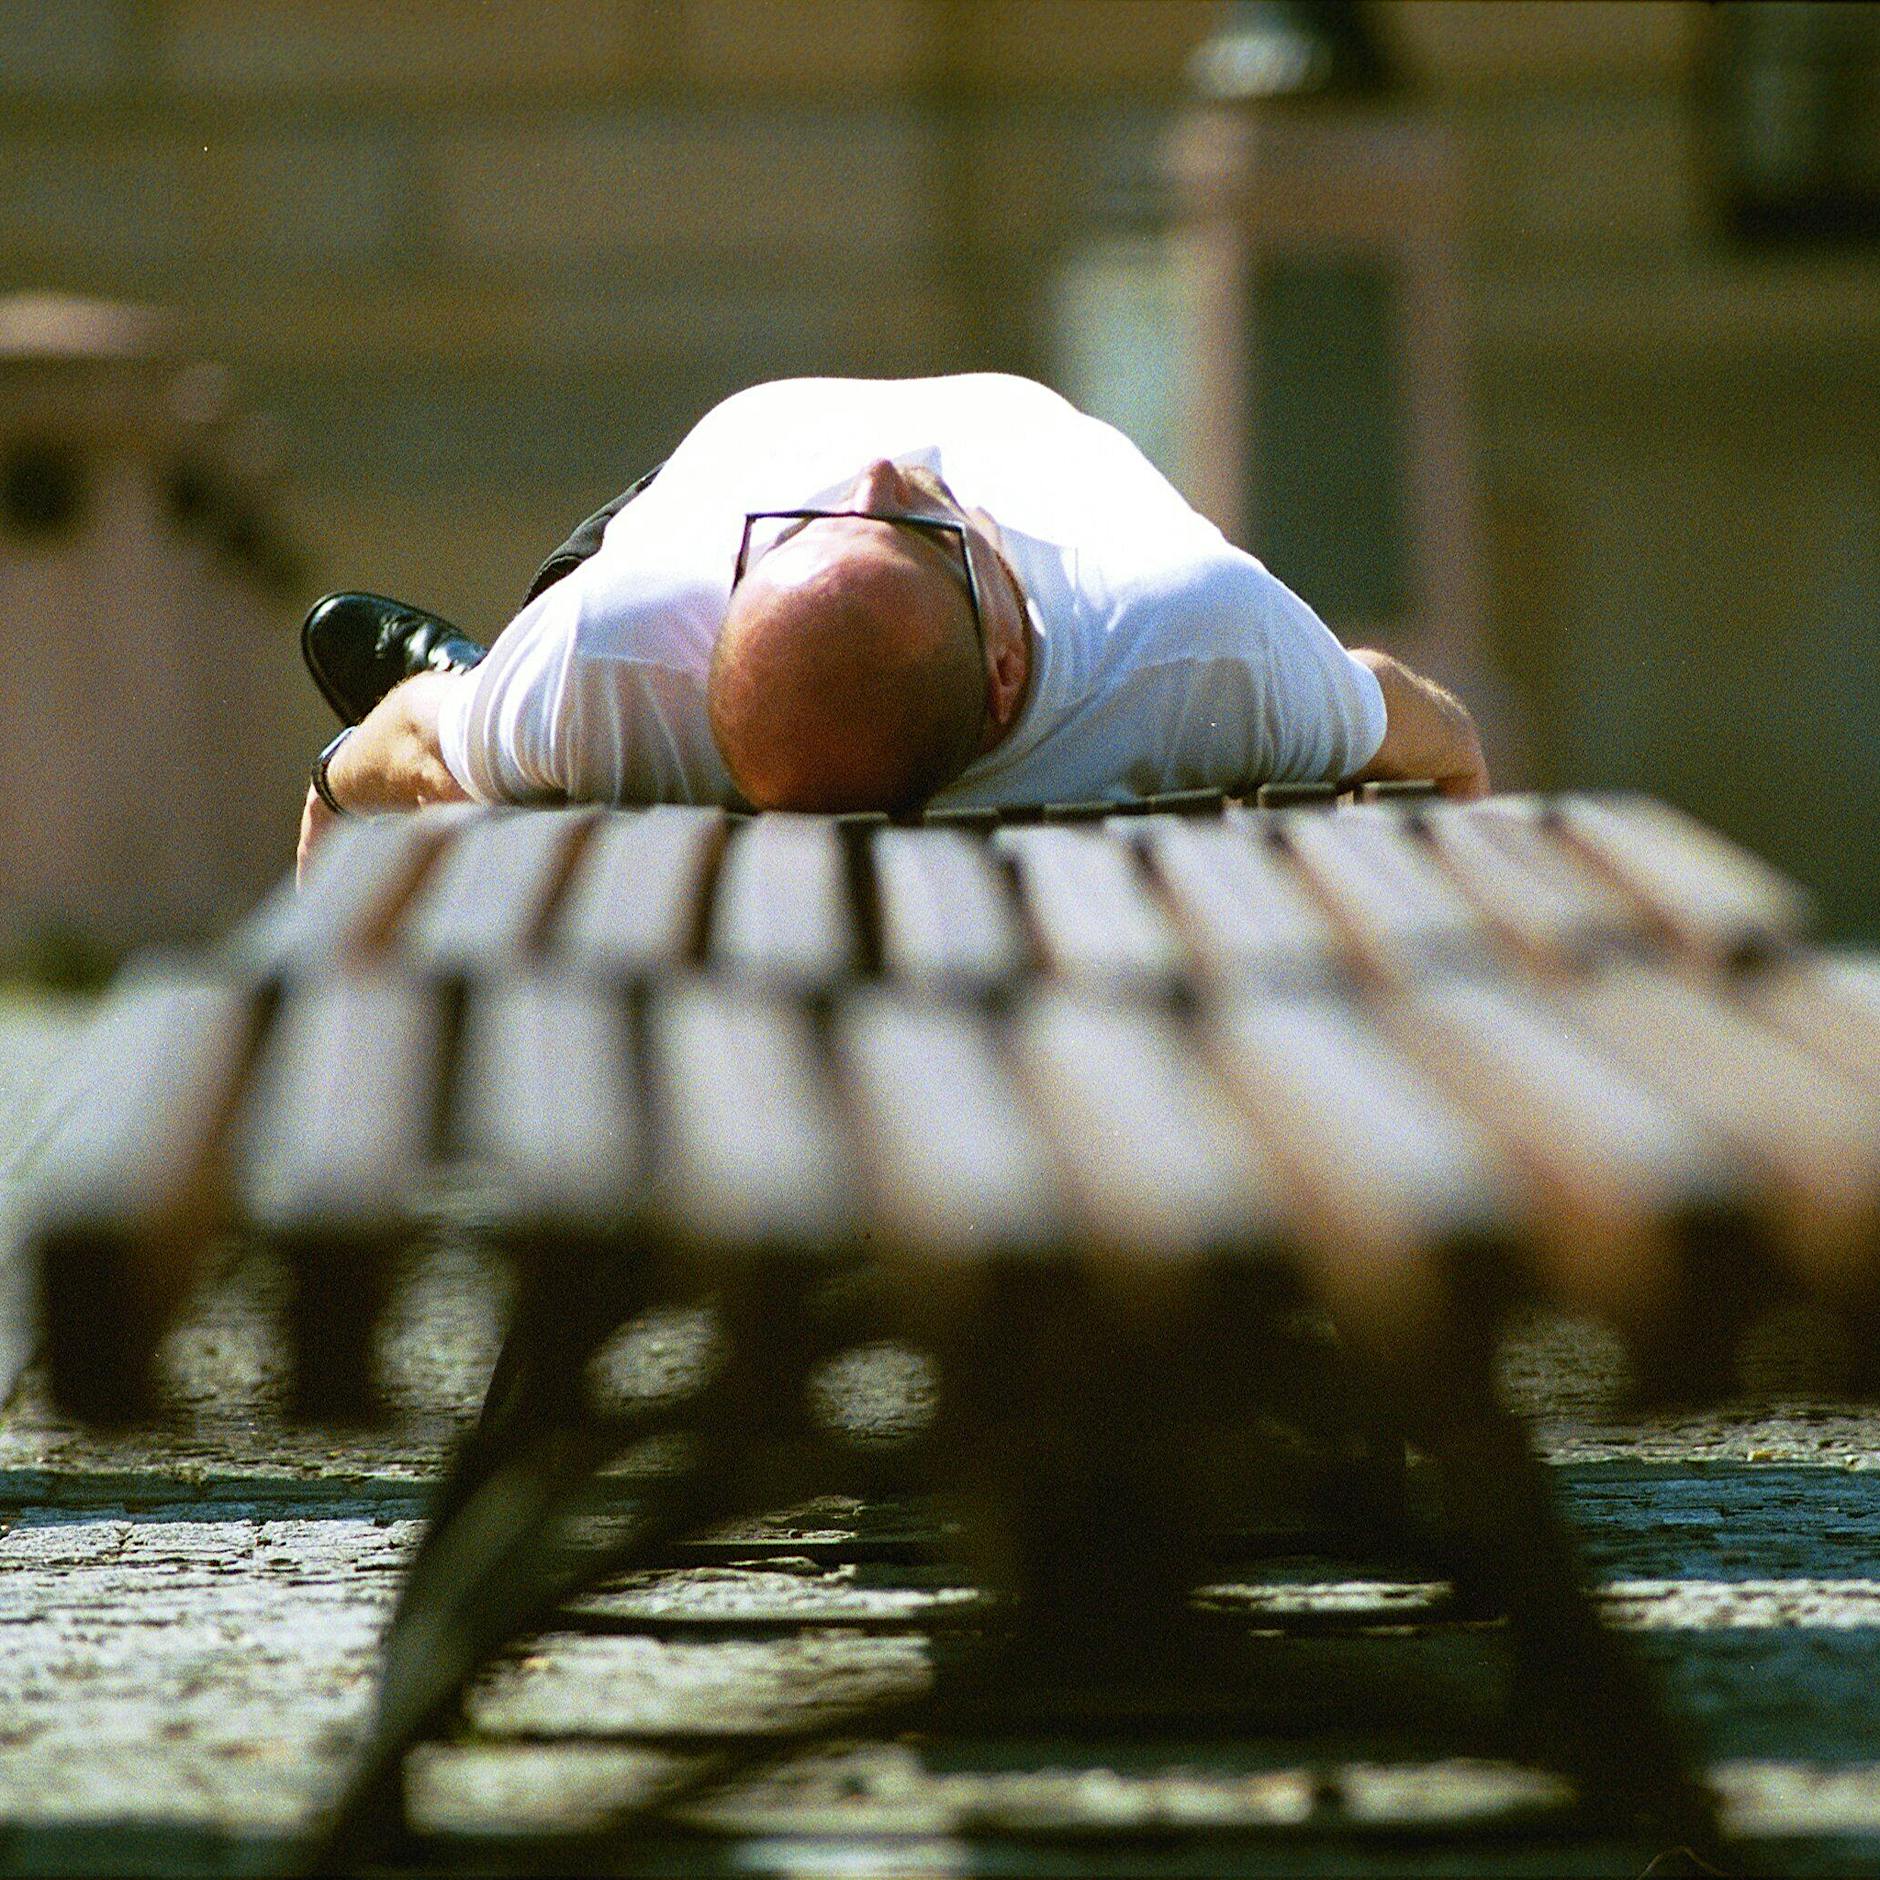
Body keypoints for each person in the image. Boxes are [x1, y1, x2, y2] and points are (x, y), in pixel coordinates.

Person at [296, 372, 1486, 878]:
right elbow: (1419, 725)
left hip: (754, 443)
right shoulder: (1191, 639)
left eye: (832, 525)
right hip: (1016, 432)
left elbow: (396, 748)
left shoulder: (624, 650)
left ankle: (484, 677)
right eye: (925, 533)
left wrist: (351, 785)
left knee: (503, 735)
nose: (871, 472)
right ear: (1007, 669)